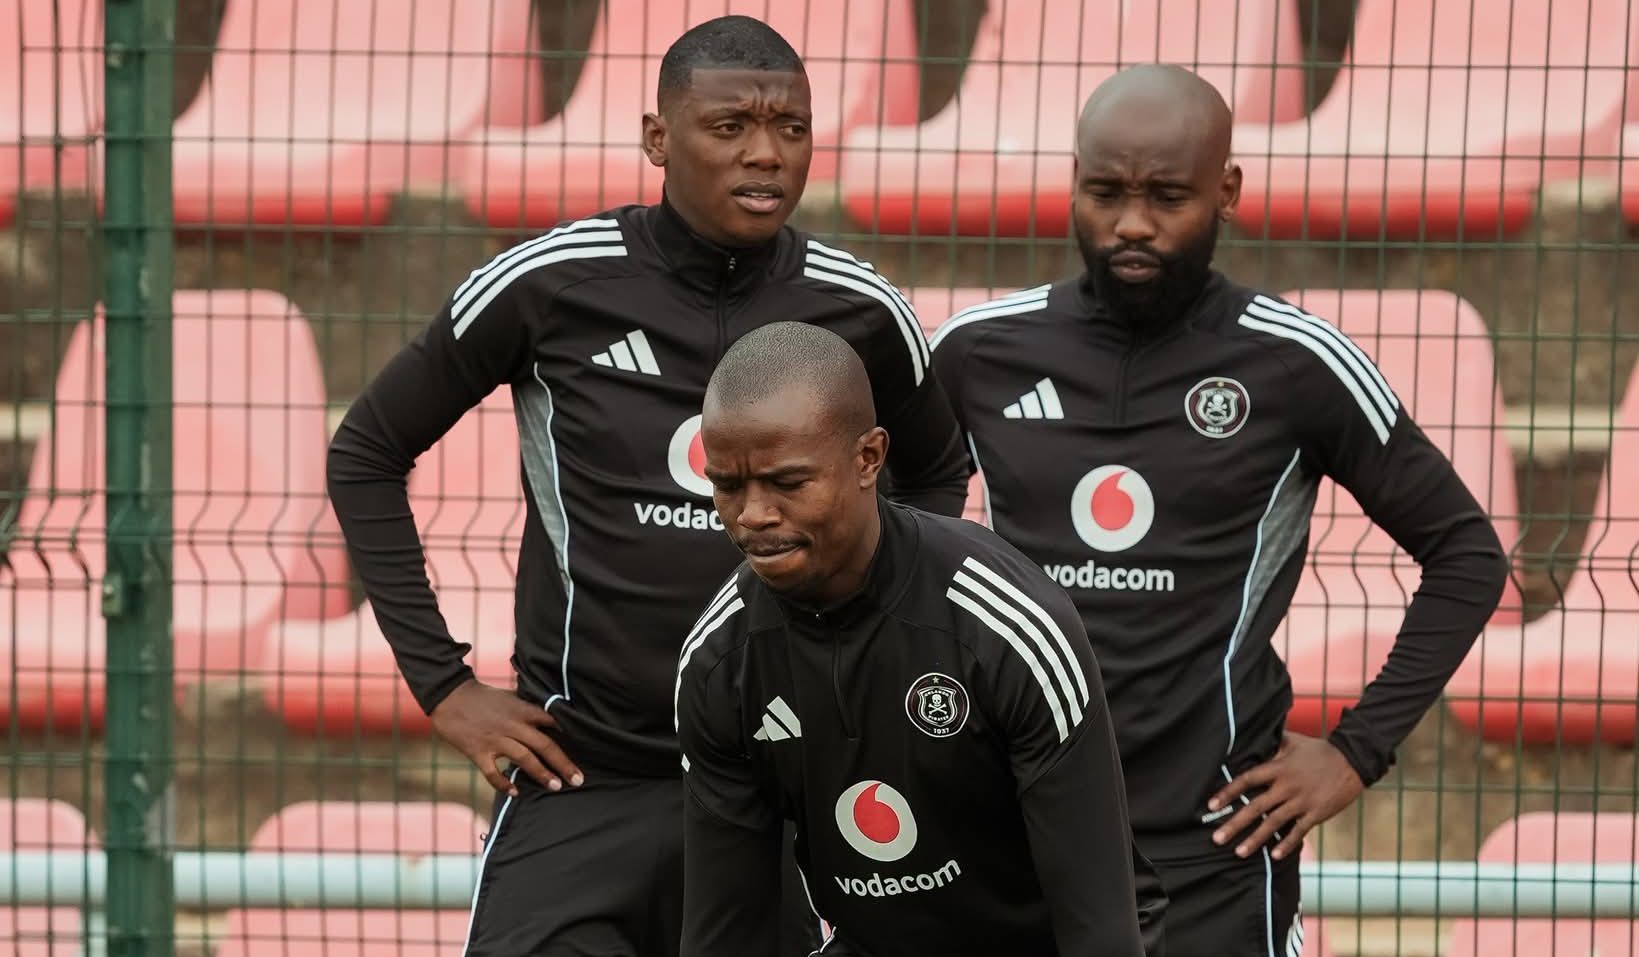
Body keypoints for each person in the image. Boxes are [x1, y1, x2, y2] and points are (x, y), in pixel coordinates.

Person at [325, 16, 970, 956]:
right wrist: (445, 685)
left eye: (791, 127)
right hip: (583, 779)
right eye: (730, 126)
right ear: (657, 139)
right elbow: (367, 452)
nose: (765, 152)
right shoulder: (551, 283)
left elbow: (938, 469)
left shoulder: (858, 307)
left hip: (779, 783)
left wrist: (866, 644)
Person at [929, 65, 1510, 957]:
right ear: (1072, 179)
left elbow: (1467, 553)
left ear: (1225, 191)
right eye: (1106, 191)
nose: (1132, 223)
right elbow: (890, 548)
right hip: (1022, 832)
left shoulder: (1295, 364)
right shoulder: (977, 353)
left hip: (1216, 848)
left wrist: (1359, 750)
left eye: (1166, 195)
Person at [676, 321, 1153, 957]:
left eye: (787, 483)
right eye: (727, 485)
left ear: (869, 458)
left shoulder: (1009, 628)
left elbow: (1101, 929)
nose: (753, 515)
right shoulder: (721, 661)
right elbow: (725, 930)